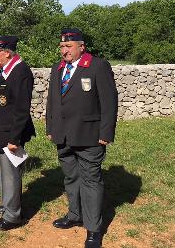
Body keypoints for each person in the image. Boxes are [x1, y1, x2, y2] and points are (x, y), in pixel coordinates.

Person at [46, 28, 118, 248]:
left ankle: (93, 228)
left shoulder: (97, 66)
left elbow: (109, 103)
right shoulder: (58, 69)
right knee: (70, 178)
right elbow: (52, 101)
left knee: (90, 182)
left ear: (81, 46)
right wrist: (51, 127)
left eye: (68, 46)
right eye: (62, 47)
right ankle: (74, 214)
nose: (64, 51)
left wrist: (106, 133)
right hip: (63, 135)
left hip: (89, 136)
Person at [0, 35, 36, 231]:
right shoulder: (5, 70)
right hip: (2, 130)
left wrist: (15, 138)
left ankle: (13, 215)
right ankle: (8, 203)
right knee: (5, 173)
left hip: (12, 133)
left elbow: (22, 108)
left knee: (11, 174)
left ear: (6, 52)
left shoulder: (21, 71)